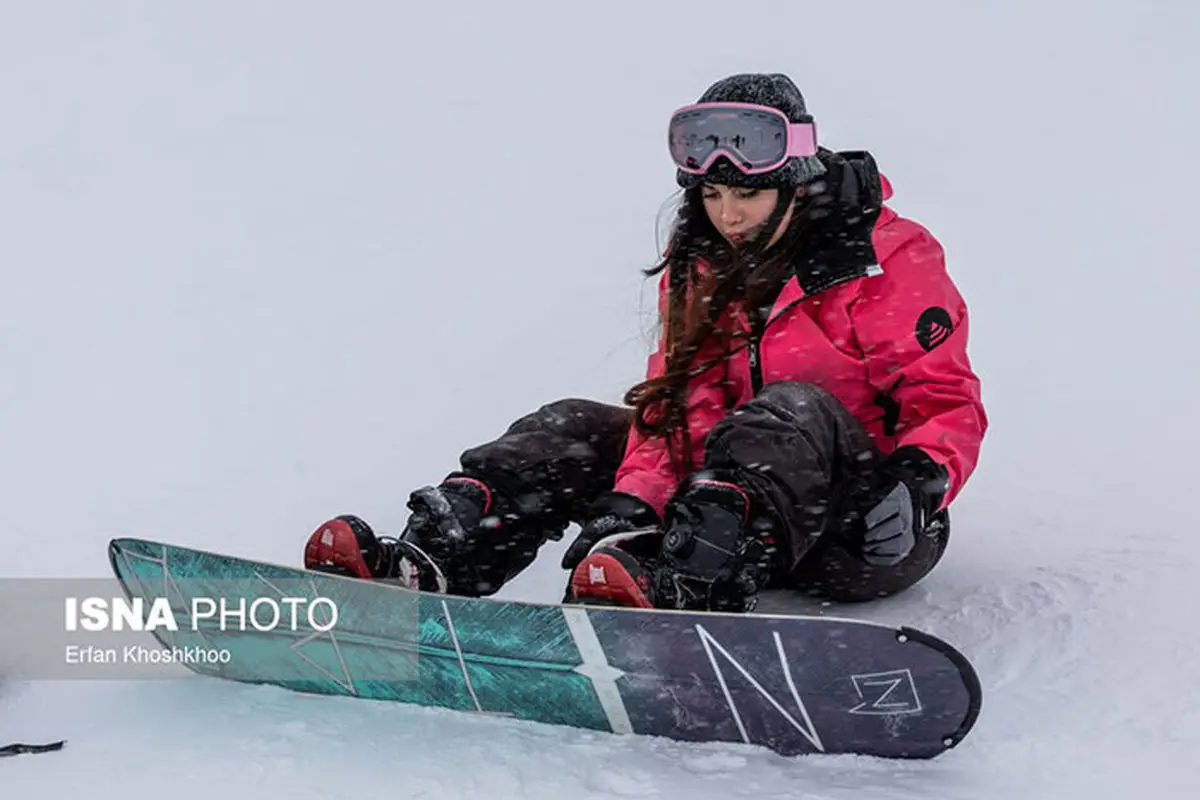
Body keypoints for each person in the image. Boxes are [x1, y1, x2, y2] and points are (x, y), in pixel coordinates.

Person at [302, 73, 987, 613]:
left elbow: (945, 398)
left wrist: (918, 483)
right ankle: (431, 564)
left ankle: (687, 584)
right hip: (722, 501)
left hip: (859, 530)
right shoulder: (703, 260)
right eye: (713, 194)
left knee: (791, 409)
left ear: (794, 185)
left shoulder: (886, 258)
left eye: (747, 196)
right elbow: (683, 398)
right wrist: (636, 501)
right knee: (573, 426)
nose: (728, 215)